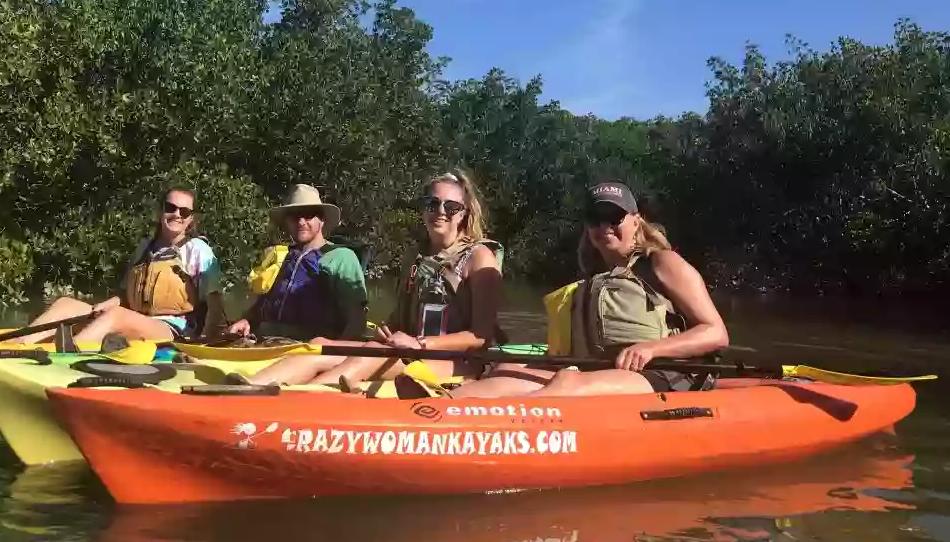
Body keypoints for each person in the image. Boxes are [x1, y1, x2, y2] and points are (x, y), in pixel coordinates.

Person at [451, 181, 729, 399]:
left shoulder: (661, 262)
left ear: (635, 220)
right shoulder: (594, 276)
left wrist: (652, 349)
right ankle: (438, 415)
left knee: (567, 382)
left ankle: (505, 433)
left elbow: (716, 332)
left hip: (662, 374)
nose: (604, 226)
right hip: (600, 370)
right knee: (505, 369)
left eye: (614, 217)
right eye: (595, 218)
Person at [243, 170, 503, 389]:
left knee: (366, 360)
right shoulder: (416, 258)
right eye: (432, 204)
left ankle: (302, 400)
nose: (440, 211)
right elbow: (399, 323)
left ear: (465, 213)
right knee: (317, 351)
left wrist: (419, 343)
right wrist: (340, 341)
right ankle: (242, 389)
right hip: (408, 352)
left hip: (456, 362)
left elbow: (481, 335)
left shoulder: (480, 258)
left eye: (451, 206)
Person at [26, 187, 226, 344]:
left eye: (184, 211)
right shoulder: (145, 248)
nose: (177, 214)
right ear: (160, 211)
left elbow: (214, 304)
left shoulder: (198, 250)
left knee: (115, 317)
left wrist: (205, 343)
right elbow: (124, 296)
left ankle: (66, 355)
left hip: (175, 330)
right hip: (134, 318)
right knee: (66, 305)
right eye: (170, 208)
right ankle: (17, 345)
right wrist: (99, 308)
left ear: (191, 218)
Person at [225, 184, 368, 342]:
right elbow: (262, 304)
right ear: (287, 222)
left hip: (307, 347)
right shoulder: (278, 255)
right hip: (263, 342)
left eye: (308, 215)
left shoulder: (340, 257)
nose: (301, 222)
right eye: (294, 216)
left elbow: (357, 318)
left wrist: (336, 353)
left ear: (321, 220)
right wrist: (246, 321)